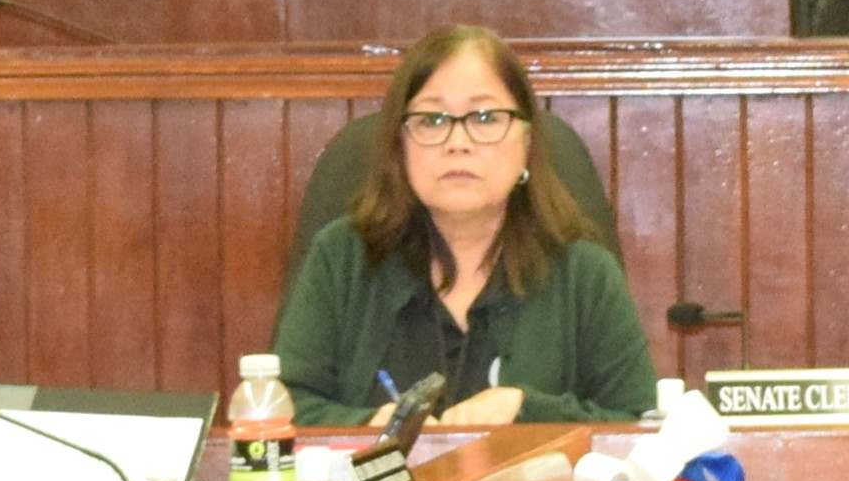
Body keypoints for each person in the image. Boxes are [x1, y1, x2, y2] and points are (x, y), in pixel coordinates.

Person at [270, 26, 656, 426]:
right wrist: (367, 428)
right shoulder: (342, 259)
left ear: (526, 144)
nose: (458, 142)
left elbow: (636, 422)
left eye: (486, 118)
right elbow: (281, 410)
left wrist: (526, 410)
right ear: (399, 147)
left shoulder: (585, 274)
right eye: (432, 120)